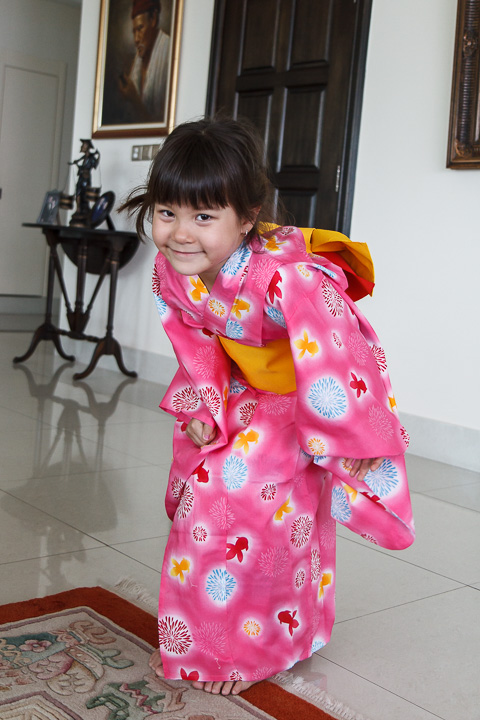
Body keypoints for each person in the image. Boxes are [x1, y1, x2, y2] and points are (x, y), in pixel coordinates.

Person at [121, 116, 415, 696]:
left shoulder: (290, 278)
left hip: (309, 399)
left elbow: (341, 351)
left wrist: (349, 436)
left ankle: (252, 649)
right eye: (167, 212)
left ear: (247, 217)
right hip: (241, 393)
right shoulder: (170, 271)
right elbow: (195, 343)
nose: (181, 234)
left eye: (204, 217)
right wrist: (204, 403)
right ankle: (198, 641)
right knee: (201, 509)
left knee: (259, 517)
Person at [119, 0, 170, 122]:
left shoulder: (168, 49)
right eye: (134, 31)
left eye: (140, 28)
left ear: (153, 19)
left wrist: (134, 98)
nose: (136, 39)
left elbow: (159, 121)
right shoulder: (139, 56)